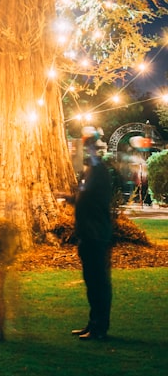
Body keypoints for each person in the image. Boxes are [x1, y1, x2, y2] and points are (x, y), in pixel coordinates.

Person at [70, 130, 113, 341]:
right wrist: (70, 198)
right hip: (88, 234)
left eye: (88, 147)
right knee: (92, 282)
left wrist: (77, 197)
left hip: (97, 235)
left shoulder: (99, 171)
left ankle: (99, 327)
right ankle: (93, 323)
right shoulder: (91, 171)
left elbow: (90, 197)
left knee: (98, 283)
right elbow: (84, 196)